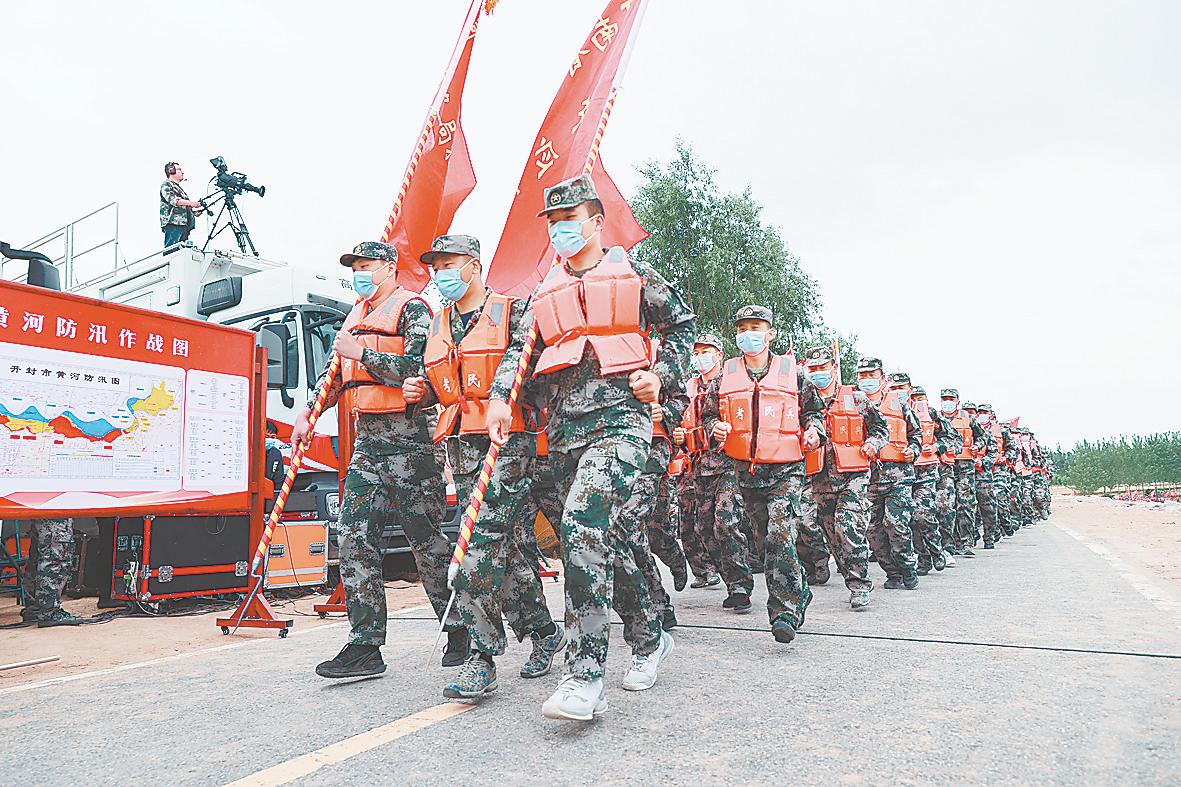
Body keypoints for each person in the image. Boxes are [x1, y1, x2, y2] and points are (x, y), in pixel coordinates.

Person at [485, 174, 691, 721]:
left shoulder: (635, 275)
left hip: (623, 426)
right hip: (566, 433)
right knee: (606, 540)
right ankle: (649, 637)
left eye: (570, 218)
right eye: (553, 221)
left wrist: (662, 375)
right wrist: (501, 397)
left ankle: (585, 675)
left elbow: (681, 329)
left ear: (597, 220)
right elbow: (518, 353)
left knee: (579, 525)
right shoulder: (544, 292)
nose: (562, 229)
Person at [400, 233, 567, 703]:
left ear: (474, 266)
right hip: (464, 450)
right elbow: (442, 382)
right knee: (511, 548)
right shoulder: (437, 325)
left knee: (475, 546)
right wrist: (424, 393)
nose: (441, 275)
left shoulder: (513, 311)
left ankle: (482, 655)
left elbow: (532, 374)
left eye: (450, 265)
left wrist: (502, 400)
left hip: (508, 446)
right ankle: (543, 631)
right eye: (436, 268)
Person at [290, 240, 454, 679]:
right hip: (368, 446)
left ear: (388, 268)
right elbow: (335, 377)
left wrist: (362, 353)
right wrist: (310, 414)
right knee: (354, 537)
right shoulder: (355, 317)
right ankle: (365, 644)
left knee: (428, 542)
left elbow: (420, 369)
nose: (360, 273)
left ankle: (461, 631)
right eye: (355, 267)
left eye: (367, 266)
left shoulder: (412, 309)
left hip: (411, 441)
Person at [700, 305, 826, 644]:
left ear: (770, 333)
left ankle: (784, 612)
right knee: (764, 543)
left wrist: (814, 431)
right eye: (743, 327)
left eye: (756, 327)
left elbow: (815, 412)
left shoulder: (794, 375)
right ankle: (797, 585)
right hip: (746, 473)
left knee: (780, 536)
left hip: (786, 470)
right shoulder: (725, 376)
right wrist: (716, 428)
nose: (749, 334)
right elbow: (708, 415)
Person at [796, 345, 887, 610]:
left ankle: (859, 585)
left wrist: (873, 443)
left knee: (847, 529)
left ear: (834, 369)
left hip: (853, 476)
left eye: (823, 368)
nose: (818, 374)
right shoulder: (801, 403)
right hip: (819, 479)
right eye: (812, 369)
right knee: (829, 534)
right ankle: (838, 570)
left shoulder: (856, 399)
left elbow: (881, 428)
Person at [674, 334, 754, 610]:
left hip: (730, 463)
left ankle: (740, 586)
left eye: (706, 351)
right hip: (697, 466)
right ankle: (727, 575)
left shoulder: (732, 384)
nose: (700, 356)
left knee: (725, 522)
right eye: (696, 352)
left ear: (719, 354)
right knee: (704, 528)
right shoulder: (686, 389)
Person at [858, 362, 922, 589]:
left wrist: (913, 451)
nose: (867, 379)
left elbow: (916, 435)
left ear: (882, 378)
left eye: (871, 375)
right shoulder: (852, 404)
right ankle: (891, 572)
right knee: (873, 529)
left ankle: (907, 567)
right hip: (867, 478)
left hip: (898, 476)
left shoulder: (899, 405)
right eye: (862, 375)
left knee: (896, 523)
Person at [906, 385, 958, 573]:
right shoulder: (897, 412)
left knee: (924, 514)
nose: (918, 401)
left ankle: (938, 549)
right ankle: (923, 558)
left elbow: (952, 438)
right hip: (903, 472)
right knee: (910, 519)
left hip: (927, 471)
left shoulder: (933, 415)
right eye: (915, 397)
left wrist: (937, 447)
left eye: (922, 397)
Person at [940, 389, 987, 556]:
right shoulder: (937, 418)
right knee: (946, 504)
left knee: (965, 503)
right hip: (945, 465)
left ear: (957, 401)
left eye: (950, 399)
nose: (947, 402)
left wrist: (977, 446)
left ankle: (966, 543)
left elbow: (982, 437)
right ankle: (947, 544)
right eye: (944, 399)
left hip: (965, 465)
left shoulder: (969, 418)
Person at [19, 518, 82, 627]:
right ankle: (49, 611)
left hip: (41, 507)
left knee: (39, 555)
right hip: (54, 510)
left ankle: (36, 608)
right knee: (55, 555)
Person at [160, 162, 203, 253]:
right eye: (179, 169)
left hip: (184, 225)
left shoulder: (179, 188)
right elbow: (174, 200)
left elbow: (183, 207)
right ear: (171, 171)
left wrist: (194, 212)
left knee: (181, 252)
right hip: (174, 223)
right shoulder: (167, 185)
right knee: (171, 250)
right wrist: (191, 203)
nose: (182, 172)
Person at [264, 420, 286, 498]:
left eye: (272, 437)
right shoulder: (250, 451)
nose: (270, 440)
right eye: (266, 436)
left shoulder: (276, 454)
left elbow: (278, 480)